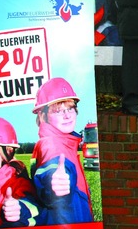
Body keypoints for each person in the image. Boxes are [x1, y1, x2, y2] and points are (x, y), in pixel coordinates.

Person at [31, 77, 93, 224]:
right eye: (58, 111)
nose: (67, 115)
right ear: (43, 116)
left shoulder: (66, 141)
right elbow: (52, 170)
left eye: (70, 108)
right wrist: (55, 185)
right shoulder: (51, 144)